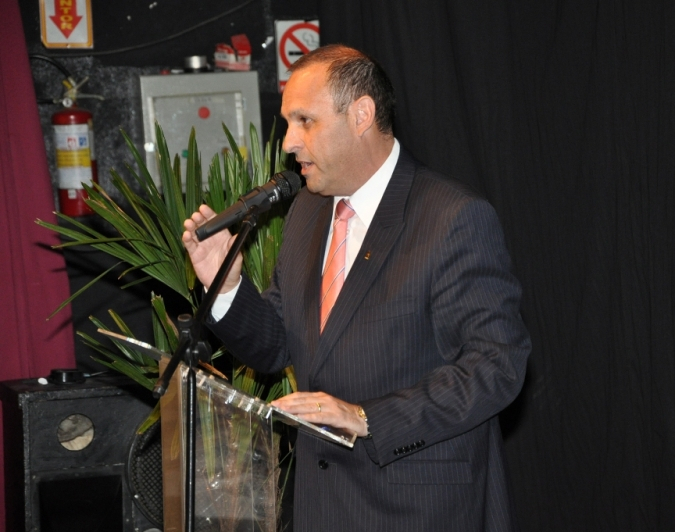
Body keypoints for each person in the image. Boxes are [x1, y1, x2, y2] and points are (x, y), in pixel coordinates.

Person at [182, 44, 530, 532]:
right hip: (323, 507)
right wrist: (225, 284)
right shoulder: (307, 211)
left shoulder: (451, 217)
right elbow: (276, 345)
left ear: (362, 114)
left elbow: (497, 366)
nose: (289, 143)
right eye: (288, 123)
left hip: (418, 511)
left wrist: (368, 418)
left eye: (305, 121)